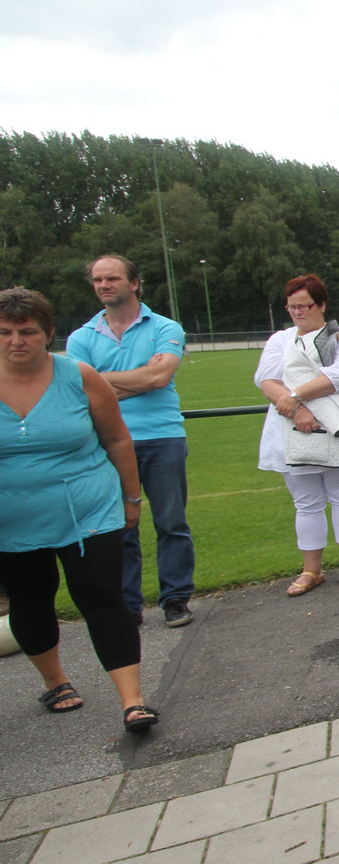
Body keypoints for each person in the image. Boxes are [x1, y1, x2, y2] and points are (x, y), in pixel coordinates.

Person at [0, 288, 159, 733]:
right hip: (12, 521)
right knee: (30, 601)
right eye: (5, 332)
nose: (16, 341)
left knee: (103, 598)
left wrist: (131, 498)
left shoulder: (79, 376)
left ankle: (133, 702)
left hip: (88, 510)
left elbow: (116, 438)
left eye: (27, 331)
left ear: (48, 333)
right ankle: (55, 682)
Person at [66, 256, 195, 628]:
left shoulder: (165, 326)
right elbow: (79, 389)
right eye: (97, 280)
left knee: (171, 522)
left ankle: (175, 599)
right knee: (119, 525)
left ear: (134, 283)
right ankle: (127, 604)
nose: (103, 285)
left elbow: (159, 378)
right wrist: (140, 378)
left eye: (112, 278)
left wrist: (102, 381)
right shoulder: (81, 337)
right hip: (106, 439)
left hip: (162, 436)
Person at [255, 274, 339, 596]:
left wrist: (294, 395)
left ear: (321, 304)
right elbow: (266, 379)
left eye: (304, 306)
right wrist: (296, 410)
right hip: (290, 429)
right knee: (306, 503)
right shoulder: (280, 339)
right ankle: (311, 570)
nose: (297, 312)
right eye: (291, 307)